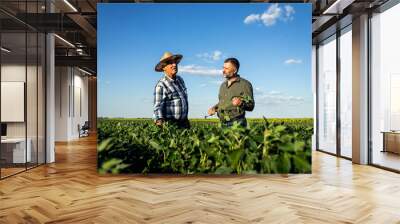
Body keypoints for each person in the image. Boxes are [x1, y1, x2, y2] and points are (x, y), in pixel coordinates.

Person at [208, 58, 254, 127]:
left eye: (226, 68)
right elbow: (222, 102)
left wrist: (241, 103)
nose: (223, 71)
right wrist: (214, 108)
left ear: (235, 70)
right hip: (222, 124)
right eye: (223, 68)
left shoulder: (245, 84)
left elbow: (251, 106)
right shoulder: (223, 85)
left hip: (237, 123)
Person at [153, 51, 190, 129]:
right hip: (171, 124)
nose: (174, 64)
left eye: (175, 62)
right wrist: (160, 122)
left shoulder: (180, 80)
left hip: (184, 123)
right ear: (164, 67)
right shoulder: (161, 85)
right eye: (170, 63)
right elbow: (157, 107)